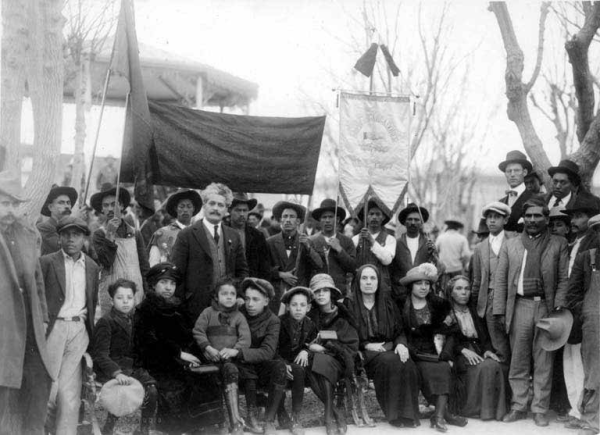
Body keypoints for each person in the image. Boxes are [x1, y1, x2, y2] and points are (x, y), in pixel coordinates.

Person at [493, 198, 569, 426]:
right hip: (520, 305)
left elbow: (563, 279)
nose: (533, 220)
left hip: (546, 307)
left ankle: (539, 408)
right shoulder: (511, 244)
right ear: (523, 219)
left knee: (544, 359)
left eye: (538, 216)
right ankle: (518, 406)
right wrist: (499, 310)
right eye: (529, 216)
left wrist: (557, 307)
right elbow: (500, 279)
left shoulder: (558, 243)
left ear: (546, 219)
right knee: (519, 358)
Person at [134, 262, 224, 434]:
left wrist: (197, 354)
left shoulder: (177, 308)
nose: (169, 287)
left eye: (172, 283)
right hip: (156, 363)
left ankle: (203, 427)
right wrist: (178, 354)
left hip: (180, 360)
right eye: (164, 282)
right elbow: (147, 343)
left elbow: (188, 336)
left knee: (206, 377)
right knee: (176, 385)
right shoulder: (145, 309)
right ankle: (175, 429)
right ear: (153, 284)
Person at [0, 171, 52, 435]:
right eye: (4, 203)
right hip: (4, 326)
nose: (10, 210)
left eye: (14, 204)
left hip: (30, 327)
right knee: (4, 388)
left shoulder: (27, 233)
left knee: (35, 385)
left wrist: (42, 316)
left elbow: (37, 278)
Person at [40, 217, 100, 435]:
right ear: (59, 237)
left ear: (84, 238)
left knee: (70, 394)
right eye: (66, 234)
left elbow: (92, 301)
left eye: (76, 235)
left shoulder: (92, 266)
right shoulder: (46, 262)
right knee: (48, 389)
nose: (71, 239)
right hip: (53, 328)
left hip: (78, 330)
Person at [344, 264, 420, 427]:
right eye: (364, 278)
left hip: (387, 349)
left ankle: (408, 415)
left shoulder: (388, 303)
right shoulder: (349, 303)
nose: (369, 282)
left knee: (407, 362)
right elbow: (347, 334)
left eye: (373, 278)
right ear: (358, 282)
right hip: (363, 355)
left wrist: (401, 345)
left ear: (378, 281)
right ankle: (394, 415)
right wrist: (366, 345)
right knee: (390, 361)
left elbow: (399, 330)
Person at [399, 264, 467, 433]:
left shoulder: (440, 304)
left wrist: (447, 355)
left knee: (444, 367)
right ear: (410, 286)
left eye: (427, 283)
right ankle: (445, 413)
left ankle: (438, 417)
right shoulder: (401, 304)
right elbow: (398, 330)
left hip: (435, 351)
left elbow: (453, 331)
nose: (423, 287)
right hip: (413, 351)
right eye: (418, 283)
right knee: (422, 370)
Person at [171, 182, 248, 325]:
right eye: (212, 203)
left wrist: (237, 294)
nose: (215, 208)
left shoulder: (233, 235)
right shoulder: (186, 235)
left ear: (227, 210)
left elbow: (242, 270)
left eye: (221, 205)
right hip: (195, 307)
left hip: (227, 307)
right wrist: (182, 303)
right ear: (204, 205)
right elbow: (177, 272)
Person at [90, 279, 157, 435]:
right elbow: (100, 354)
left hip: (131, 367)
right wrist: (116, 373)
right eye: (120, 298)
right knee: (121, 390)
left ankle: (144, 429)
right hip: (111, 369)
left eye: (129, 297)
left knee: (151, 390)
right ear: (112, 300)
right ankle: (109, 427)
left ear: (135, 298)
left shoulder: (136, 319)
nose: (125, 302)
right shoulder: (106, 322)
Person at [440, 276, 508, 421]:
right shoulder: (445, 313)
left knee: (497, 364)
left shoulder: (475, 312)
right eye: (458, 289)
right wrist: (462, 350)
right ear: (451, 292)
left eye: (467, 288)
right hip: (457, 354)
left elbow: (485, 337)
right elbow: (444, 339)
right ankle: (474, 409)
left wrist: (487, 350)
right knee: (487, 367)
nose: (464, 292)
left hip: (477, 351)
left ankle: (494, 410)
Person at [559, 197, 599, 425]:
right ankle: (579, 410)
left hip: (590, 316)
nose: (574, 221)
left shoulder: (590, 245)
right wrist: (573, 311)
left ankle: (587, 413)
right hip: (580, 315)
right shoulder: (579, 248)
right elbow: (572, 286)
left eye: (579, 216)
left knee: (588, 365)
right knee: (577, 363)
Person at [193, 278, 251, 435]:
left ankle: (236, 421)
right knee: (207, 380)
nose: (229, 297)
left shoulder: (239, 316)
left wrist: (234, 350)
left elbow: (245, 338)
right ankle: (214, 423)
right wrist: (208, 348)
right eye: (224, 293)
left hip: (231, 362)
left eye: (232, 294)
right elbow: (198, 331)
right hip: (210, 359)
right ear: (216, 296)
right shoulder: (207, 313)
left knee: (231, 370)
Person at [307, 274, 359, 435]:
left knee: (322, 362)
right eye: (317, 291)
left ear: (332, 293)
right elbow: (303, 340)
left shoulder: (342, 316)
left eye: (325, 290)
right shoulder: (310, 317)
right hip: (314, 361)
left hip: (339, 360)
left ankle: (329, 416)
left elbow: (350, 345)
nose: (321, 294)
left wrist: (325, 349)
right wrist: (311, 346)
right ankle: (335, 412)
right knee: (312, 365)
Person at [238, 278, 288, 435]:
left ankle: (269, 420)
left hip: (259, 365)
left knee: (279, 367)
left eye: (255, 299)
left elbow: (268, 352)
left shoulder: (273, 321)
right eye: (247, 298)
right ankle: (251, 417)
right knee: (245, 368)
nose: (250, 304)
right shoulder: (238, 314)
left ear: (266, 301)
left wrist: (240, 353)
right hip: (241, 368)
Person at [91, 185, 149, 314]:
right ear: (102, 209)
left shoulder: (135, 234)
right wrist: (110, 234)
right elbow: (106, 261)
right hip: (112, 292)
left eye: (114, 204)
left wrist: (148, 292)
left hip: (136, 291)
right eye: (105, 205)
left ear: (122, 206)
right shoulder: (99, 234)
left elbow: (144, 266)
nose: (110, 209)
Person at [470, 201, 512, 363]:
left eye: (497, 217)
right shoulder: (480, 248)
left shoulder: (515, 239)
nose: (492, 221)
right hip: (488, 299)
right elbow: (477, 279)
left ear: (505, 220)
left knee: (514, 338)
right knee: (497, 340)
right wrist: (475, 302)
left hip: (511, 298)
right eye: (489, 218)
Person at [267, 200, 323, 314]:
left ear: (298, 221)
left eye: (292, 217)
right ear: (280, 220)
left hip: (299, 293)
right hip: (276, 294)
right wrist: (280, 274)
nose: (288, 220)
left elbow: (319, 265)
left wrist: (307, 247)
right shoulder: (270, 242)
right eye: (285, 216)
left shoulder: (307, 242)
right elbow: (262, 268)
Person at [277, 286, 317, 435]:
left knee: (299, 370)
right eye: (294, 305)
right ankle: (280, 412)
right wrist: (282, 363)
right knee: (278, 372)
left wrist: (306, 351)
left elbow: (314, 343)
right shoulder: (279, 323)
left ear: (308, 307)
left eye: (302, 305)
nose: (298, 309)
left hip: (297, 367)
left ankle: (296, 418)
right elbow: (272, 348)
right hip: (279, 362)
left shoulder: (310, 324)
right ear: (287, 307)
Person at [391, 203, 442, 304]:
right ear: (404, 222)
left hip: (422, 296)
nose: (413, 222)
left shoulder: (429, 244)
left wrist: (434, 255)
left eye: (416, 220)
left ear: (421, 223)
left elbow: (438, 269)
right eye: (409, 219)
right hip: (400, 295)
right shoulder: (396, 243)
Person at [310, 199, 356, 296]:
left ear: (338, 219)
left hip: (340, 291)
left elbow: (353, 267)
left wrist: (339, 249)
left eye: (331, 217)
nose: (327, 220)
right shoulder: (312, 241)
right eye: (324, 217)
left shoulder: (347, 241)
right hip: (318, 291)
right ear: (319, 220)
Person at [352, 198, 396, 295]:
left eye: (378, 214)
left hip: (381, 286)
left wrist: (371, 240)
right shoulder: (356, 239)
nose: (374, 217)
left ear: (383, 217)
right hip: (361, 285)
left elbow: (387, 260)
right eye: (371, 214)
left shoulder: (390, 239)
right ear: (366, 217)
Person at [148, 189, 202, 266]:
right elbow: (153, 262)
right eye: (181, 207)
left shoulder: (199, 234)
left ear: (193, 209)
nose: (185, 210)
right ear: (176, 209)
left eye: (189, 207)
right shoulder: (162, 233)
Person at [228, 193, 270, 280]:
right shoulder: (220, 231)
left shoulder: (257, 235)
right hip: (226, 283)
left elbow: (264, 266)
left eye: (245, 210)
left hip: (250, 283)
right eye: (238, 210)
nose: (242, 214)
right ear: (229, 210)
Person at [498, 150, 537, 233]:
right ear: (505, 174)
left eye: (516, 170)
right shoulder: (500, 204)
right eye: (509, 171)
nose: (512, 174)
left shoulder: (535, 200)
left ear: (525, 172)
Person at [37, 185, 78, 255]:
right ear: (50, 207)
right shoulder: (43, 227)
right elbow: (65, 248)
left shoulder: (72, 227)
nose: (66, 206)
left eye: (68, 203)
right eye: (61, 203)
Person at [436, 219, 471, 291]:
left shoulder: (441, 237)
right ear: (457, 228)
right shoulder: (462, 238)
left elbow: (435, 252)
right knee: (457, 290)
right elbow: (467, 254)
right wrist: (463, 263)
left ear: (448, 227)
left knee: (444, 290)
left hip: (444, 270)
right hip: (457, 269)